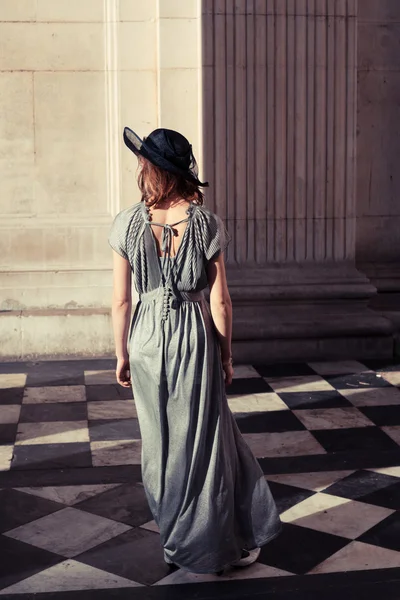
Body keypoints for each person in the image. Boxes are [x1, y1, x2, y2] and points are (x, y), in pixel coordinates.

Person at [109, 127, 281, 575]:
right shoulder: (206, 223)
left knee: (160, 444)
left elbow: (121, 299)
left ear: (151, 168)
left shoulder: (127, 222)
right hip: (191, 334)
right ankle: (204, 545)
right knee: (200, 444)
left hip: (144, 337)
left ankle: (174, 540)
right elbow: (221, 301)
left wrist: (121, 353)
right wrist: (226, 356)